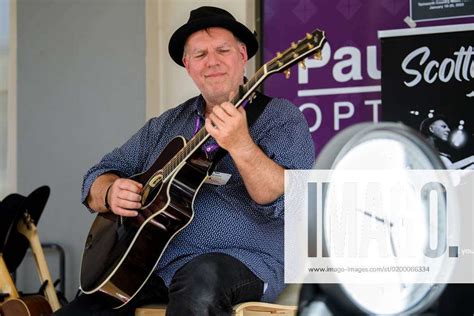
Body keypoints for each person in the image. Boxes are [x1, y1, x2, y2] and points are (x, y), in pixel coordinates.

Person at [55, 6, 314, 316]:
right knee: (78, 311)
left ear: (243, 55)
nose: (213, 61)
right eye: (200, 55)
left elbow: (287, 198)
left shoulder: (280, 117)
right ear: (188, 65)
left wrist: (241, 144)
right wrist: (110, 191)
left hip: (244, 261)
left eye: (222, 50)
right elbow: (95, 178)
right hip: (155, 265)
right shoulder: (165, 126)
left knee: (199, 281)